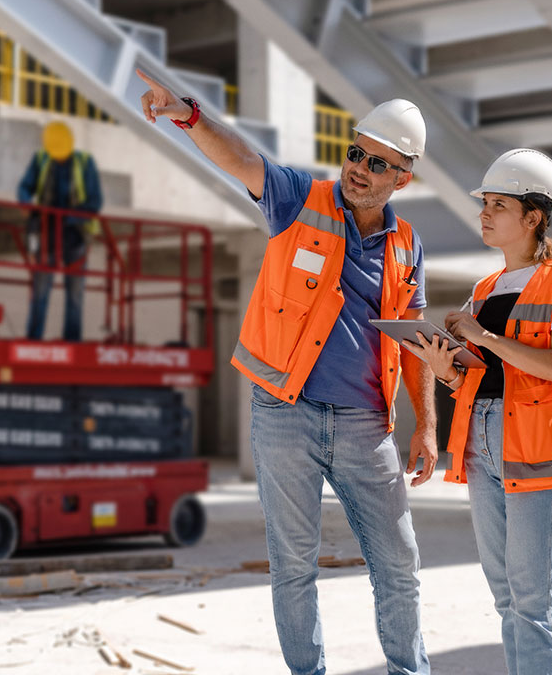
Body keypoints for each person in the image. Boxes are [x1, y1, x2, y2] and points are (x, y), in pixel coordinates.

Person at [138, 70, 435, 675]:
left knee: (399, 564)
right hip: (284, 412)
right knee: (294, 565)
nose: (358, 168)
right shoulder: (301, 199)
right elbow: (244, 160)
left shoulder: (408, 244)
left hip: (365, 424)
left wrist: (426, 426)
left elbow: (417, 344)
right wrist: (191, 116)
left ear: (402, 178)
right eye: (355, 152)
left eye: (377, 164)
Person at [402, 148, 552, 675]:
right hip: (480, 442)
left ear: (533, 216)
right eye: (485, 204)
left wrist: (484, 336)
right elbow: (477, 377)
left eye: (499, 204)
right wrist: (443, 365)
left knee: (535, 602)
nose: (485, 214)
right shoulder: (485, 288)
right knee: (505, 598)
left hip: (538, 448)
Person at [17, 121, 103, 341]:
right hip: (46, 233)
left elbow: (95, 201)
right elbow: (24, 187)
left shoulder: (84, 163)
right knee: (40, 290)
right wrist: (26, 203)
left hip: (75, 234)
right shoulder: (41, 160)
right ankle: (33, 338)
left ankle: (72, 340)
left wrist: (69, 217)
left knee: (75, 293)